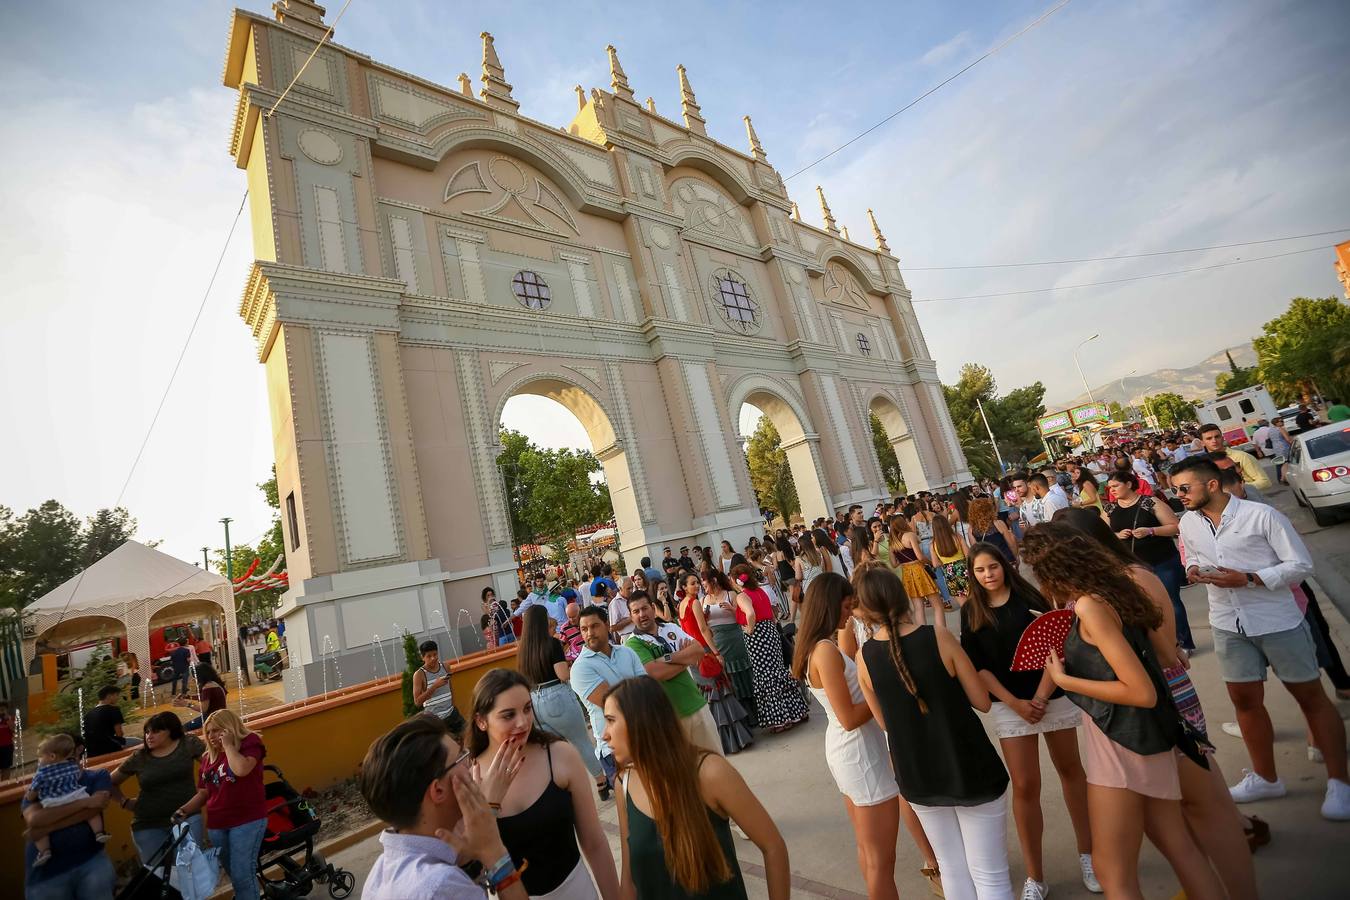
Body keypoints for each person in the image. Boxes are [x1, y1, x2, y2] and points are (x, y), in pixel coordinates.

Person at [1054, 507, 1260, 898]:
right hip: (1139, 711)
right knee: (1179, 819)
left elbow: (1165, 655)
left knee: (1204, 810)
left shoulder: (1127, 580)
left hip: (1160, 706)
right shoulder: (1102, 585)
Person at [1022, 525, 1226, 899]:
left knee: (1111, 870)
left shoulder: (1089, 605)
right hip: (1149, 738)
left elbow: (1140, 692)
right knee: (1178, 845)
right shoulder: (1116, 589)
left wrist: (1065, 680)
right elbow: (1166, 656)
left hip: (1122, 742)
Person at [1170, 455, 1349, 819]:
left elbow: (1301, 565)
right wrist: (1193, 568)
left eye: (1184, 488)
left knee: (1311, 698)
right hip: (1227, 622)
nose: (1179, 496)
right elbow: (1190, 552)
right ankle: (1266, 778)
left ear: (1212, 485)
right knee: (1245, 701)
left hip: (1277, 620)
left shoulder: (1262, 516)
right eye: (1175, 490)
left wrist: (1250, 578)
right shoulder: (1188, 522)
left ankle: (1340, 783)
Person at [853, 563, 1014, 900]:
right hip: (969, 764)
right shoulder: (938, 637)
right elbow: (982, 701)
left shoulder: (864, 657)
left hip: (917, 773)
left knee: (952, 868)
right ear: (902, 596)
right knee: (990, 875)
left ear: (864, 610)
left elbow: (885, 723)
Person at [792, 573, 945, 899]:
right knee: (880, 859)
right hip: (859, 753)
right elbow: (848, 717)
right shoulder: (825, 652)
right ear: (829, 606)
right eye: (846, 606)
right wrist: (887, 695)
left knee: (870, 851)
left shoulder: (818, 647)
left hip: (852, 751)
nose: (849, 614)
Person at [959, 545, 1098, 898]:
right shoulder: (970, 611)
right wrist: (1015, 704)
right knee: (1024, 785)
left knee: (1072, 771)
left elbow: (1057, 646)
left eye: (993, 566)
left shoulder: (1031, 597)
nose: (988, 574)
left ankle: (1090, 856)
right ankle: (1035, 877)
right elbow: (978, 668)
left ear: (1005, 566)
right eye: (980, 570)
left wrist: (1039, 697)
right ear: (972, 574)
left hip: (1051, 694)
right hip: (1009, 705)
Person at [605, 677, 790, 900]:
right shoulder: (623, 784)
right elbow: (628, 878)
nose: (605, 734)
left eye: (611, 720)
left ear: (641, 720)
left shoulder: (710, 773)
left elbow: (773, 846)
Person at [468, 669, 620, 899]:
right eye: (508, 715)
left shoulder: (559, 755)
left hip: (578, 889)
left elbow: (594, 842)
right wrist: (489, 807)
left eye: (527, 709)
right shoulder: (470, 780)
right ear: (481, 721)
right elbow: (473, 868)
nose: (522, 722)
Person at [359, 714, 529, 899]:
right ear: (438, 790)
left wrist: (469, 856)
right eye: (461, 757)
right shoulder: (440, 885)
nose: (470, 765)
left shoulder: (379, 872)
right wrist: (493, 851)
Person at [173, 710, 269, 900]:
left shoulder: (250, 743)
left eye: (217, 730)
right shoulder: (207, 758)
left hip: (247, 820)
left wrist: (228, 746)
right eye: (208, 732)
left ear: (230, 728)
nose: (211, 736)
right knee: (236, 875)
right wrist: (184, 810)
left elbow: (241, 769)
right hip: (218, 825)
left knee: (242, 875)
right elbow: (204, 792)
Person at [517, 605, 608, 800]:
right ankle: (601, 781)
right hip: (556, 695)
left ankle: (562, 788)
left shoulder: (523, 650)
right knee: (581, 742)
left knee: (554, 750)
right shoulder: (551, 643)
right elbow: (563, 675)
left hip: (534, 701)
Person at [1103, 469, 1194, 651]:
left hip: (1161, 560)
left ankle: (1183, 642)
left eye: (1115, 486)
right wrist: (1117, 535)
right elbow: (1103, 534)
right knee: (1141, 605)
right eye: (1109, 487)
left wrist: (1151, 531)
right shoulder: (1110, 509)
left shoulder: (1150, 502)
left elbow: (1175, 527)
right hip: (1130, 566)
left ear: (1129, 484)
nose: (1112, 490)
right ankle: (1160, 645)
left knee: (1170, 602)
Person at [623, 591, 723, 754]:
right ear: (631, 616)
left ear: (653, 608)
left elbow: (698, 651)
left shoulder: (670, 628)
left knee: (716, 759)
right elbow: (655, 673)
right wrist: (686, 660)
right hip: (669, 718)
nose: (642, 614)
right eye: (636, 611)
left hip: (697, 704)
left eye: (645, 608)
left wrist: (667, 658)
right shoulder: (633, 644)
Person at [22, 734, 116, 899]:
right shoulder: (44, 779)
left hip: (91, 863)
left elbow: (97, 807)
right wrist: (85, 802)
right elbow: (36, 819)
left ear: (79, 750)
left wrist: (47, 827)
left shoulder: (97, 776)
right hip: (47, 876)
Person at [110, 711, 207, 864]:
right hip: (148, 824)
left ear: (170, 730)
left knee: (192, 867)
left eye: (155, 731)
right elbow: (109, 782)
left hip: (187, 816)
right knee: (159, 873)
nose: (149, 736)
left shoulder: (188, 744)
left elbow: (212, 765)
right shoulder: (140, 757)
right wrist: (124, 802)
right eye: (147, 732)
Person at [569, 605, 646, 791]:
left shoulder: (626, 652)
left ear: (606, 624)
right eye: (584, 629)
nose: (589, 633)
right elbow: (614, 704)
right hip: (614, 748)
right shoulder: (580, 668)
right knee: (634, 803)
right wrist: (639, 693)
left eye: (594, 626)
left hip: (645, 736)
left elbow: (648, 689)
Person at [677, 574, 755, 754]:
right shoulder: (694, 602)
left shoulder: (681, 605)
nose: (697, 586)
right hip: (704, 650)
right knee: (719, 693)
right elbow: (703, 630)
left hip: (693, 653)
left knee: (709, 696)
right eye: (692, 584)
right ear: (684, 587)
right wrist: (716, 652)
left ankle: (718, 739)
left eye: (698, 583)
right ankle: (734, 739)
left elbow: (687, 630)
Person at [730, 564, 809, 734]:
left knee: (765, 675)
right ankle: (795, 712)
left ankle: (779, 719)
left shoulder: (742, 596)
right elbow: (773, 615)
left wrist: (749, 629)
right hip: (770, 632)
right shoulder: (760, 591)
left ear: (735, 580)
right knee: (778, 671)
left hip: (757, 637)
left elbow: (750, 613)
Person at [696, 569, 758, 728]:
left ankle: (756, 712)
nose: (703, 586)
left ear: (714, 581)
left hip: (736, 638)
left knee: (745, 673)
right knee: (730, 677)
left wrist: (732, 609)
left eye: (705, 582)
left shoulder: (730, 594)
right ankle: (743, 717)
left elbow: (743, 617)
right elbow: (703, 627)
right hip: (718, 641)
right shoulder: (703, 600)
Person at [886, 516, 942, 620]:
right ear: (903, 523)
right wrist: (931, 562)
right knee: (938, 605)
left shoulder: (892, 542)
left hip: (906, 572)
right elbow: (920, 557)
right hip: (918, 570)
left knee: (918, 608)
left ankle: (922, 630)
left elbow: (894, 564)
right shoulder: (910, 535)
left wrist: (903, 558)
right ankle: (941, 628)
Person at [414, 640, 469, 740]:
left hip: (452, 714)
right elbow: (417, 702)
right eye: (429, 656)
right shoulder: (419, 674)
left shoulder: (445, 666)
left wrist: (453, 705)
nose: (433, 658)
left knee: (469, 736)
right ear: (422, 657)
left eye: (435, 654)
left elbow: (450, 687)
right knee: (446, 747)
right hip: (435, 720)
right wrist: (434, 686)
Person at [1198, 423, 1272, 492]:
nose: (1214, 441)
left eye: (1217, 437)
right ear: (1202, 443)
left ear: (1222, 438)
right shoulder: (1203, 464)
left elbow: (1265, 481)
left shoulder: (1241, 456)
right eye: (1209, 438)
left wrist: (1238, 488)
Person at [83, 684, 140, 759]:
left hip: (92, 752)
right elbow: (119, 734)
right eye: (116, 695)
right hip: (109, 747)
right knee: (141, 743)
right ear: (109, 696)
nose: (118, 698)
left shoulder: (88, 714)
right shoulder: (114, 710)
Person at [928, 514, 970, 606]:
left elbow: (935, 564)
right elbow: (968, 554)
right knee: (974, 598)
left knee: (963, 604)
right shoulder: (957, 537)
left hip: (949, 573)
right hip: (964, 569)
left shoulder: (933, 544)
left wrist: (944, 561)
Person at [968, 497, 1017, 566]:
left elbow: (976, 550)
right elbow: (1011, 543)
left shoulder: (971, 529)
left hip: (990, 563)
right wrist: (1015, 557)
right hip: (1006, 559)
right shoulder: (998, 523)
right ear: (990, 509)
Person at [178, 662, 228, 730]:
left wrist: (186, 704)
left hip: (213, 718)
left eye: (194, 677)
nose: (193, 679)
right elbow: (205, 697)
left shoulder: (207, 687)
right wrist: (188, 697)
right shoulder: (215, 684)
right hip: (222, 715)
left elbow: (203, 709)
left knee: (182, 729)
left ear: (200, 676)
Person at [772, 537, 799, 623]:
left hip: (783, 578)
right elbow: (791, 563)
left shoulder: (776, 554)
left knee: (797, 597)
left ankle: (801, 613)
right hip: (791, 577)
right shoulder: (784, 552)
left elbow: (775, 567)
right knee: (795, 598)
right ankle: (792, 619)